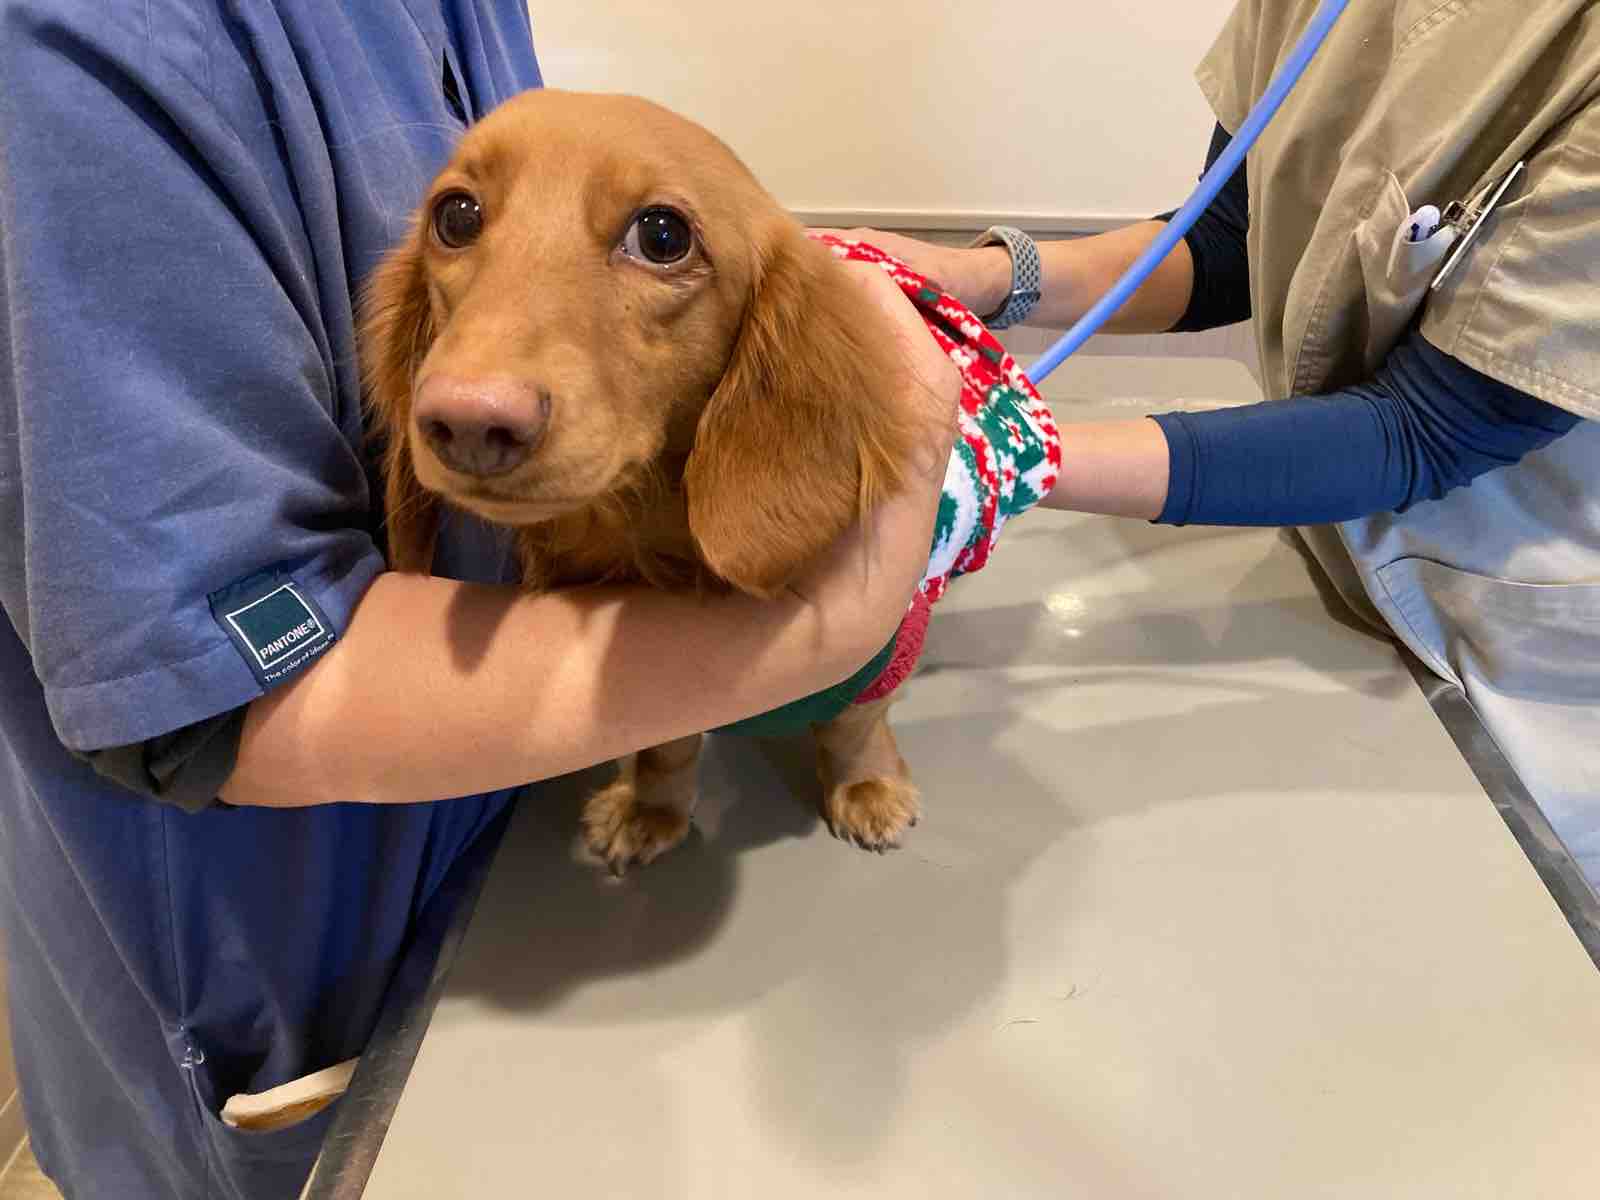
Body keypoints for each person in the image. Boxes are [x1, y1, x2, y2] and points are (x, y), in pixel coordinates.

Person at [0, 4, 957, 1197]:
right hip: (267, 930)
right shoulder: (75, 44)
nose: (472, 392)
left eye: (658, 238)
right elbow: (211, 682)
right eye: (460, 221)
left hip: (500, 850)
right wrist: (825, 626)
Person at [851, 0, 1599, 886]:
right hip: (1310, 548)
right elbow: (1225, 238)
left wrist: (1005, 457)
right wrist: (972, 276)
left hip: (1498, 638)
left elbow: (1428, 428)